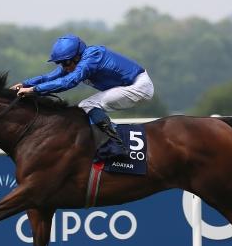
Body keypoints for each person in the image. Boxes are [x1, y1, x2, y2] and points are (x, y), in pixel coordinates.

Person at [10, 34, 154, 159]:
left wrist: (34, 90)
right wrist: (24, 84)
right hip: (128, 86)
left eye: (66, 62)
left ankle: (116, 146)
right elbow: (49, 77)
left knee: (87, 105)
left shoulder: (92, 57)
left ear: (77, 56)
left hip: (139, 86)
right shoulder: (76, 61)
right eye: (60, 63)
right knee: (86, 106)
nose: (64, 67)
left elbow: (69, 82)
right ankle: (107, 141)